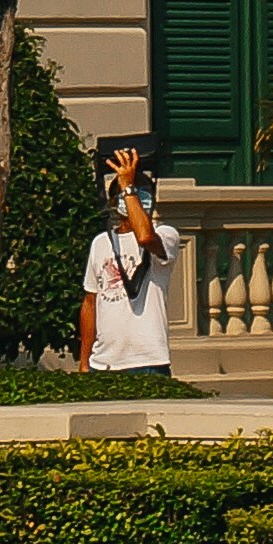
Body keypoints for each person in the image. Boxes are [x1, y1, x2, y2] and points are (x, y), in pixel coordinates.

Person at [79, 137, 183, 378]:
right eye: (130, 193)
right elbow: (90, 302)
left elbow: (145, 237)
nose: (137, 197)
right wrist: (85, 362)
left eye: (142, 192)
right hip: (103, 363)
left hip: (148, 361)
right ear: (116, 202)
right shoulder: (101, 243)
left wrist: (128, 187)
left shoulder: (166, 235)